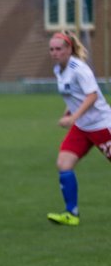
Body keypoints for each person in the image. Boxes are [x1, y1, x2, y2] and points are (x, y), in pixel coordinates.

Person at [45, 31, 111, 226]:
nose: (55, 53)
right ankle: (71, 213)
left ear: (69, 49)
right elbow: (74, 95)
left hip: (101, 126)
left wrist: (73, 117)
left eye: (58, 49)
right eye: (51, 49)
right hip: (82, 128)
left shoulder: (79, 69)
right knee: (64, 164)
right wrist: (69, 112)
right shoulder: (59, 69)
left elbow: (91, 96)